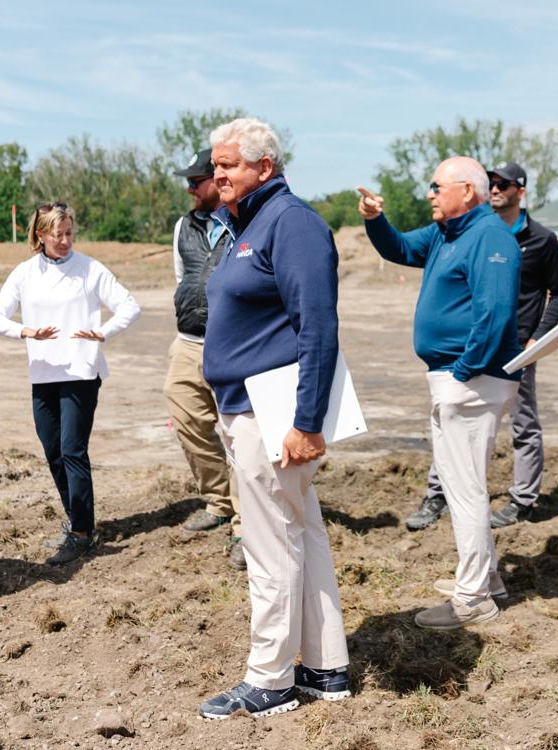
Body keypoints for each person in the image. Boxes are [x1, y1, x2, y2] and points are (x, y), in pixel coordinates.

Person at [197, 117, 350, 720]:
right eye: (215, 165)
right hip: (248, 406)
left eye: (229, 164)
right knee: (301, 532)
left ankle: (270, 679)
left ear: (265, 167)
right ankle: (325, 666)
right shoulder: (249, 223)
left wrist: (307, 422)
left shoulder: (291, 223)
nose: (218, 174)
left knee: (271, 545)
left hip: (272, 411)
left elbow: (318, 326)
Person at [356, 156, 523, 630]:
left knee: (465, 489)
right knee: (460, 484)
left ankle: (473, 599)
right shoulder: (445, 233)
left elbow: (494, 313)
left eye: (436, 186)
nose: (429, 193)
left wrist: (463, 372)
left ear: (467, 191)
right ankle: (487, 579)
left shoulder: (489, 237)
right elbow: (400, 248)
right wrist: (376, 220)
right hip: (457, 377)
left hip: (471, 379)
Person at [405, 161, 558, 531]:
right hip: (474, 350)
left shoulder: (541, 239)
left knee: (523, 423)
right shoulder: (473, 232)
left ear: (520, 191)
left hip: (516, 348)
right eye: (492, 183)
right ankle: (438, 493)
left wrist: (539, 335)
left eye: (504, 184)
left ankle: (523, 499)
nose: (496, 189)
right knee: (453, 426)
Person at [0, 203, 140, 565]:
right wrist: (26, 331)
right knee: (53, 451)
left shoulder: (90, 269)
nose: (66, 241)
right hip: (43, 373)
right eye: (58, 235)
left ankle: (82, 534)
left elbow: (129, 306)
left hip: (81, 372)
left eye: (70, 233)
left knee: (72, 450)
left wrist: (103, 331)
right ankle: (76, 519)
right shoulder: (25, 273)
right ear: (40, 235)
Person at [167, 148, 246, 570]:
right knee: (188, 421)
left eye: (195, 182)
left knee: (238, 434)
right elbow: (183, 279)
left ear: (217, 181)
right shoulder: (184, 227)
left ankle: (245, 526)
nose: (190, 189)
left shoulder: (246, 222)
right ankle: (219, 501)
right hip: (187, 342)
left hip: (232, 345)